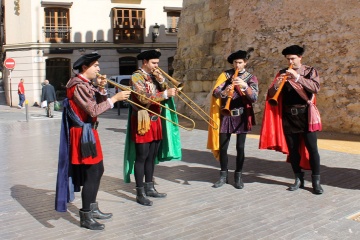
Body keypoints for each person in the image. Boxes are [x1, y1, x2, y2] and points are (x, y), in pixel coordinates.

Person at [55, 53, 131, 230]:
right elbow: (93, 110)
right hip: (83, 134)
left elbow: (97, 102)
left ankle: (93, 208)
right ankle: (86, 215)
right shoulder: (78, 85)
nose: (98, 69)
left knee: (97, 171)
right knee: (93, 172)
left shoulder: (86, 84)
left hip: (88, 132)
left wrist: (102, 90)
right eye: (95, 65)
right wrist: (115, 98)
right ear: (84, 68)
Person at [259, 45, 323, 195]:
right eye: (288, 59)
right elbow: (270, 94)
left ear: (300, 58)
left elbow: (316, 88)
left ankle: (316, 181)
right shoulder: (282, 73)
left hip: (306, 115)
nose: (290, 61)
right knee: (293, 150)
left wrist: (297, 77)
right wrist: (276, 85)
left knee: (312, 149)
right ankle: (298, 178)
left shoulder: (309, 71)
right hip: (288, 116)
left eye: (293, 58)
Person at [123, 49, 182, 206]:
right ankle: (140, 191)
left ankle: (150, 186)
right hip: (143, 121)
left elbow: (164, 91)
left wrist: (162, 81)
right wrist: (164, 94)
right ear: (145, 62)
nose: (157, 66)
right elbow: (142, 98)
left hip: (156, 121)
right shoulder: (137, 76)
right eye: (154, 63)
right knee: (141, 157)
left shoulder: (153, 76)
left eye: (157, 63)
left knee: (152, 156)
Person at [207, 48, 259, 189]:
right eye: (235, 63)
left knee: (240, 148)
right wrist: (224, 91)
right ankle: (223, 176)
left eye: (240, 63)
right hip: (226, 115)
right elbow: (216, 92)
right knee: (224, 147)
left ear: (245, 63)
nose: (237, 66)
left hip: (241, 115)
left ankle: (238, 176)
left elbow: (254, 97)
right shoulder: (226, 75)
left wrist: (244, 86)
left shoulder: (250, 77)